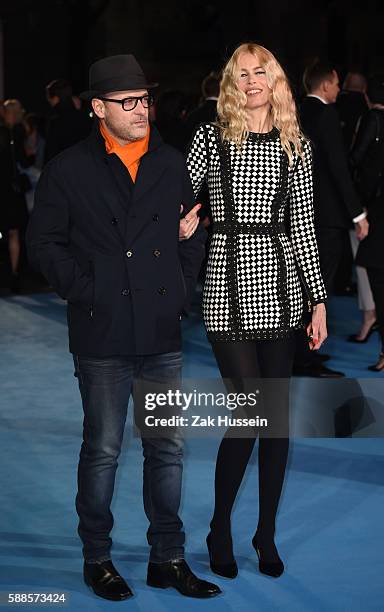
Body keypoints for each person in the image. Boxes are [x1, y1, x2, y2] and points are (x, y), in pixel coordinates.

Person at [27, 54, 220, 601]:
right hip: (102, 332)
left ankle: (168, 557)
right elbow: (45, 245)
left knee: (167, 449)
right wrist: (90, 290)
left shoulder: (171, 163)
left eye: (146, 100)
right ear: (98, 109)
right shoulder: (69, 170)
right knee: (105, 448)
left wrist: (182, 291)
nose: (142, 111)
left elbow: (192, 230)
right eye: (128, 102)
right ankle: (98, 557)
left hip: (160, 330)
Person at [186, 43, 327, 579]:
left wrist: (317, 301)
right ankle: (220, 525)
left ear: (276, 80)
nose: (251, 81)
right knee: (249, 418)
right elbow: (182, 198)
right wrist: (180, 225)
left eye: (260, 72)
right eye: (241, 74)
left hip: (283, 292)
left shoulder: (297, 144)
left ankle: (265, 531)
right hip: (225, 289)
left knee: (276, 424)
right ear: (230, 82)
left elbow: (305, 228)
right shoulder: (209, 137)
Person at [297, 60, 369, 377]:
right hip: (325, 216)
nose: (339, 90)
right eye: (337, 84)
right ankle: (305, 358)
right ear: (326, 84)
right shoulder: (326, 114)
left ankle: (301, 354)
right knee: (317, 291)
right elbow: (338, 169)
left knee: (300, 288)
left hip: (300, 214)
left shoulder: (296, 111)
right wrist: (358, 213)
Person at [353, 75, 384, 371]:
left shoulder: (373, 119)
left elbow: (358, 158)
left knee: (374, 270)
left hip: (375, 207)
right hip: (375, 206)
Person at [0, 99, 29, 292]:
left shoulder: (4, 132)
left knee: (5, 232)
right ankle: (14, 274)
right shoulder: (19, 133)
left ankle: (5, 274)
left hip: (2, 188)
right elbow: (25, 162)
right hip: (13, 189)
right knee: (14, 233)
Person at [45, 78, 92, 162]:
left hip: (64, 167)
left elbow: (51, 153)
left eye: (49, 97)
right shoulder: (84, 116)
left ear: (55, 98)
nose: (48, 101)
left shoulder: (55, 121)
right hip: (85, 163)